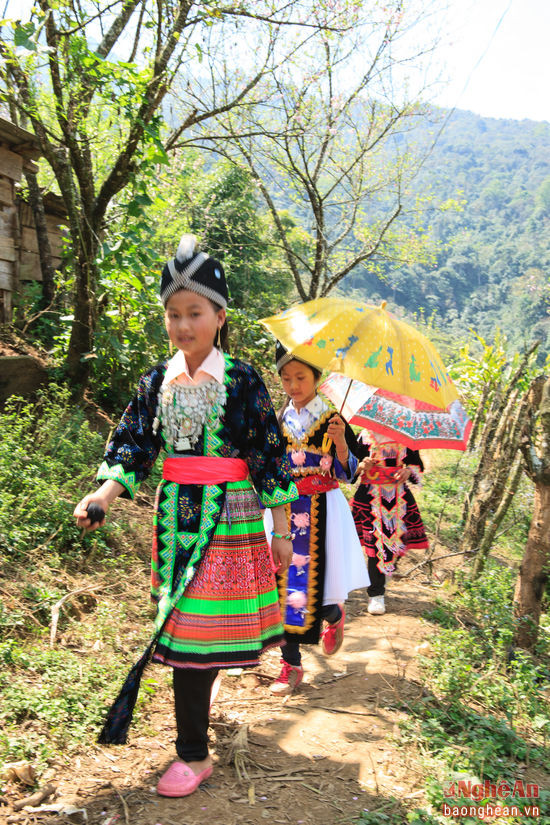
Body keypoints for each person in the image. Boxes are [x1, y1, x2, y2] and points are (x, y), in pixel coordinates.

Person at [74, 235, 298, 798]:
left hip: (232, 523)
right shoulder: (156, 383)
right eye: (173, 314)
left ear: (219, 317)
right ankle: (194, 749)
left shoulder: (243, 380)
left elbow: (268, 454)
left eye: (194, 312)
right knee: (189, 636)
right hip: (176, 521)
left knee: (198, 640)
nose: (182, 325)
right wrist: (103, 495)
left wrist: (283, 531)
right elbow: (132, 451)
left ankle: (193, 750)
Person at [264, 343, 370, 696]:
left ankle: (332, 615)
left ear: (316, 378)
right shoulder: (279, 418)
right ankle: (291, 665)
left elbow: (350, 472)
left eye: (301, 377)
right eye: (287, 378)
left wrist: (341, 444)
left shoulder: (332, 418)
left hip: (322, 511)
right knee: (281, 587)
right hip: (282, 511)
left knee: (311, 587)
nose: (293, 385)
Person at [351, 430, 429, 615]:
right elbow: (349, 467)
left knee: (395, 544)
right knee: (375, 546)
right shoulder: (363, 437)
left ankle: (383, 574)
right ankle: (376, 594)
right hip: (370, 496)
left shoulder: (407, 438)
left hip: (398, 498)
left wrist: (407, 471)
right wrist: (362, 465)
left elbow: (417, 467)